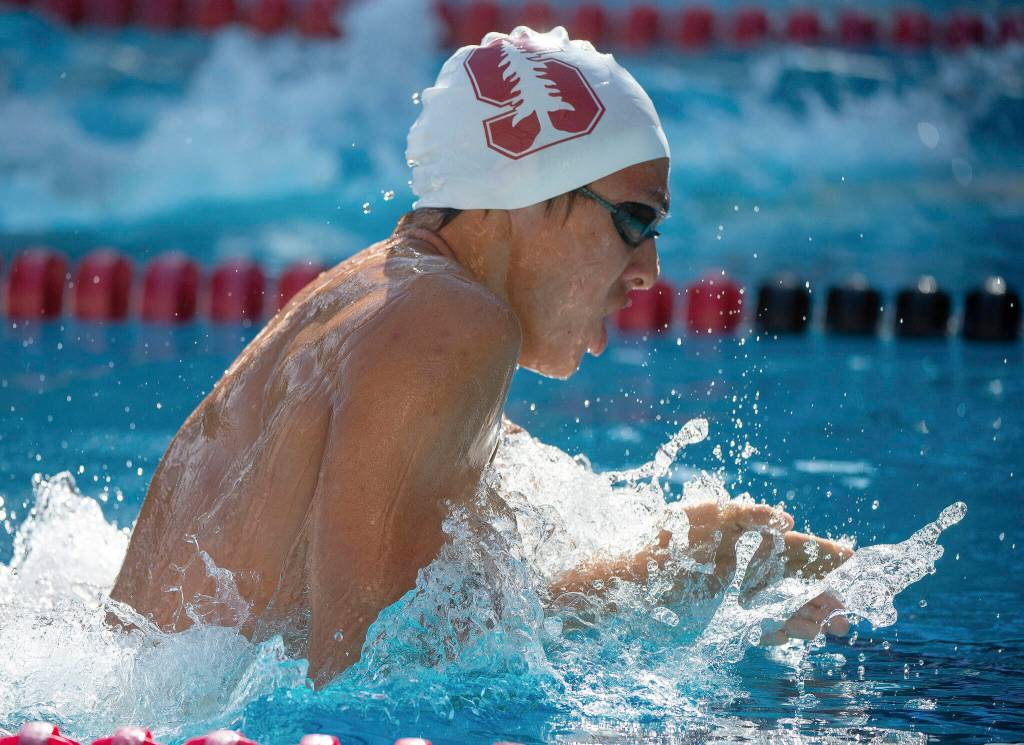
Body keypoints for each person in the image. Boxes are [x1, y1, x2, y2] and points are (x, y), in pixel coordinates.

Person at [108, 26, 851, 688]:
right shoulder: (454, 324)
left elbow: (379, 623)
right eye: (634, 220)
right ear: (530, 191)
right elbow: (368, 676)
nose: (650, 269)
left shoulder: (373, 294)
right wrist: (673, 575)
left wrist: (709, 592)